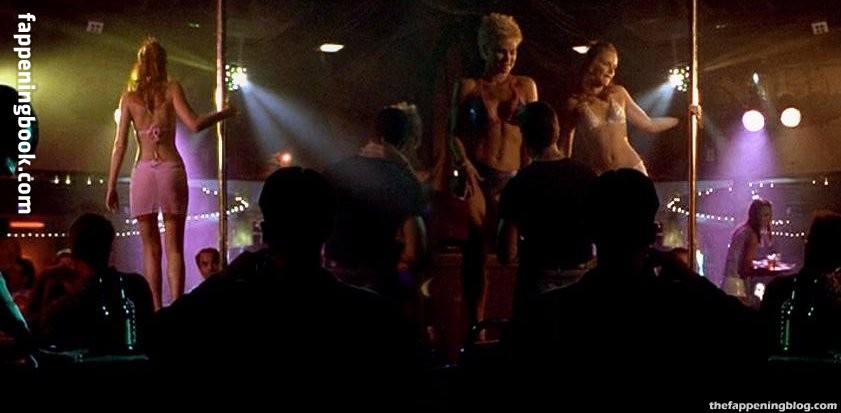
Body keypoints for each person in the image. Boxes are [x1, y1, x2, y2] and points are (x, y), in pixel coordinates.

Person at [150, 167, 417, 407]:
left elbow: (157, 334)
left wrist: (223, 279)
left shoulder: (231, 307)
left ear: (265, 230)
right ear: (327, 228)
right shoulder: (373, 315)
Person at [509, 169, 765, 406]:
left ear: (589, 230)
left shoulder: (550, 312)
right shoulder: (680, 305)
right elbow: (754, 329)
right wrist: (689, 277)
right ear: (652, 233)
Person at [106, 38, 235, 310]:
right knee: (174, 246)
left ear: (139, 64)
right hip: (170, 169)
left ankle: (156, 309)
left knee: (150, 248)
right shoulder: (172, 89)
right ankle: (176, 308)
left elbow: (119, 145)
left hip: (143, 172)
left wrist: (111, 185)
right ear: (163, 63)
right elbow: (194, 124)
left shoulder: (128, 98)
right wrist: (224, 113)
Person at [450, 13, 538, 326]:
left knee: (509, 253)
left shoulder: (526, 86)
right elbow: (454, 135)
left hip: (513, 179)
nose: (508, 58)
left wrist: (530, 177)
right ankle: (476, 323)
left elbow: (532, 136)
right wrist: (464, 164)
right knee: (475, 250)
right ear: (485, 49)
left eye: (513, 51)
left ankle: (521, 319)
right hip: (479, 176)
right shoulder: (468, 87)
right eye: (501, 51)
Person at [497, 101, 596, 320]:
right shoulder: (587, 176)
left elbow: (506, 252)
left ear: (525, 136)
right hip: (582, 281)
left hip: (537, 285)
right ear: (556, 130)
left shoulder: (519, 184)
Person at [323, 107, 427, 315]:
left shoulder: (332, 172)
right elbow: (415, 250)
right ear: (405, 141)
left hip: (334, 280)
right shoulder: (403, 180)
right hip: (380, 287)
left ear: (374, 134)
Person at [29, 213, 155, 352]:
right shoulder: (137, 286)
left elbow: (29, 334)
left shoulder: (71, 302)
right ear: (110, 248)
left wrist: (43, 277)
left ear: (73, 250)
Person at [561, 41, 679, 176]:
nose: (611, 72)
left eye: (614, 67)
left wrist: (682, 119)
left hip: (633, 169)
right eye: (606, 64)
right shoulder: (575, 103)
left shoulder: (619, 93)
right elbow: (565, 145)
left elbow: (649, 124)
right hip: (602, 176)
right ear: (591, 64)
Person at [721, 198, 773, 303]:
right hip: (737, 287)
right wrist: (764, 270)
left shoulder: (741, 229)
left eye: (770, 215)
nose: (769, 220)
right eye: (765, 215)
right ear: (756, 216)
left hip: (728, 283)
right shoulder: (752, 235)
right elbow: (745, 269)